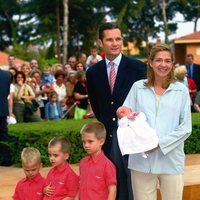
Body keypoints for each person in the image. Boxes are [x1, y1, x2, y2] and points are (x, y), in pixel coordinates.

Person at [123, 44, 192, 200]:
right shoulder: (137, 87)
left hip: (171, 160)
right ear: (150, 62)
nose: (163, 64)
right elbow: (127, 117)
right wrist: (123, 114)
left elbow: (186, 128)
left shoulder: (181, 91)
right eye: (159, 60)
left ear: (173, 64)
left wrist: (158, 144)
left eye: (168, 61)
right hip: (141, 160)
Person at [86, 22, 146, 200]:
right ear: (100, 42)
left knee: (134, 184)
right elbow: (96, 105)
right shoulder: (93, 73)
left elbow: (143, 103)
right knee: (113, 184)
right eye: (110, 39)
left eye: (118, 39)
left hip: (133, 137)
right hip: (108, 137)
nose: (115, 43)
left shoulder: (138, 68)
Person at [79, 121, 117, 200]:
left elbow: (112, 190)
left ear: (101, 141)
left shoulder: (107, 165)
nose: (86, 145)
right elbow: (80, 186)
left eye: (90, 141)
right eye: (84, 142)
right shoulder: (83, 162)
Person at [0, 69, 12, 166]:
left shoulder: (7, 75)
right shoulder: (7, 75)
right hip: (2, 109)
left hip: (2, 108)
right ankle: (6, 158)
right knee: (4, 135)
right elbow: (7, 92)